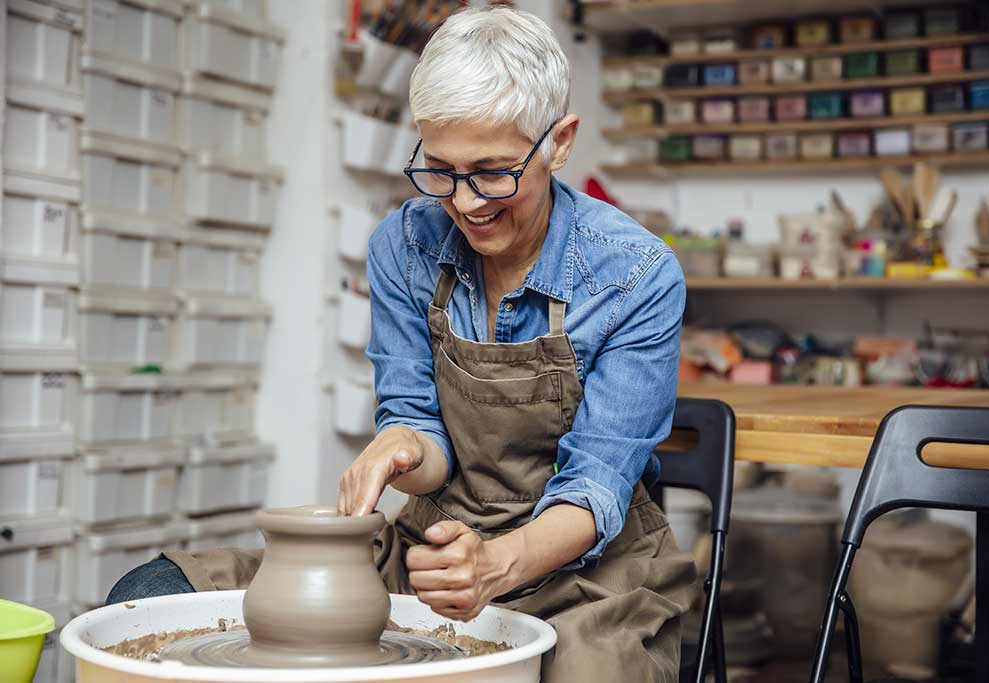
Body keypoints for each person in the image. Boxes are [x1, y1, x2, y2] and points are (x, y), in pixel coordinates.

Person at [106, 6, 692, 680]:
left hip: (588, 571)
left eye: (492, 171)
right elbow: (424, 436)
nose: (466, 202)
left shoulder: (637, 274)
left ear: (560, 143)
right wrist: (401, 445)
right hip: (429, 548)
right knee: (149, 597)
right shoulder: (405, 244)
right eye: (440, 169)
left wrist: (495, 564)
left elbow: (595, 489)